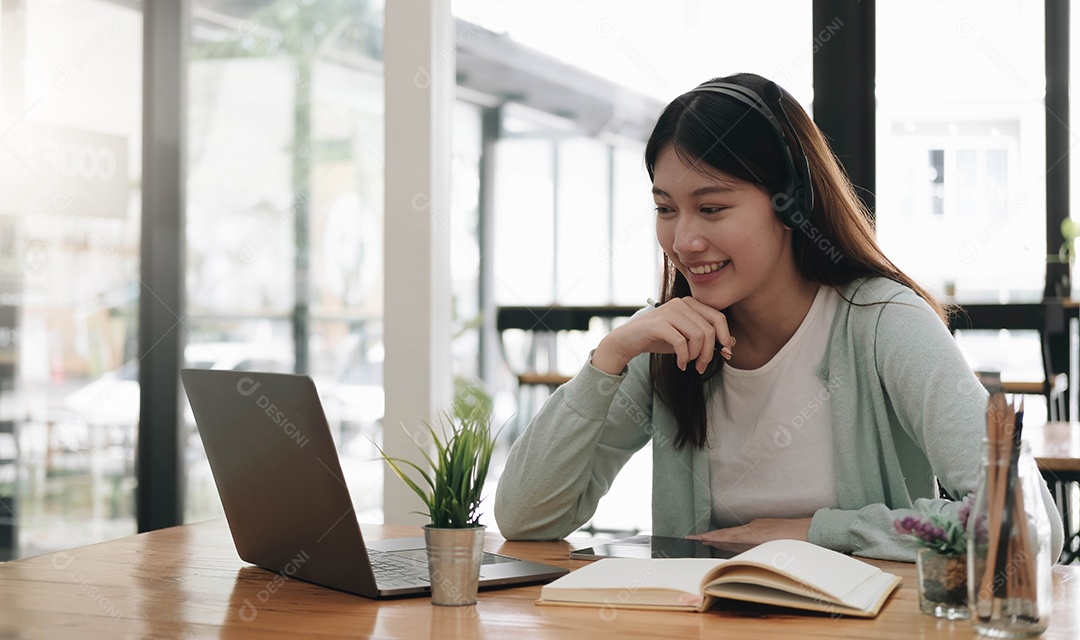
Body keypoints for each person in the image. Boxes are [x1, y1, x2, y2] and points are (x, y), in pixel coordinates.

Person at [493, 72, 1064, 562]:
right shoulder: (667, 340)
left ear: (790, 203)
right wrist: (608, 359)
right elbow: (527, 519)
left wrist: (816, 535)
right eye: (665, 209)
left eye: (711, 207)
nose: (684, 238)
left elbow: (1025, 524)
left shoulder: (882, 322)